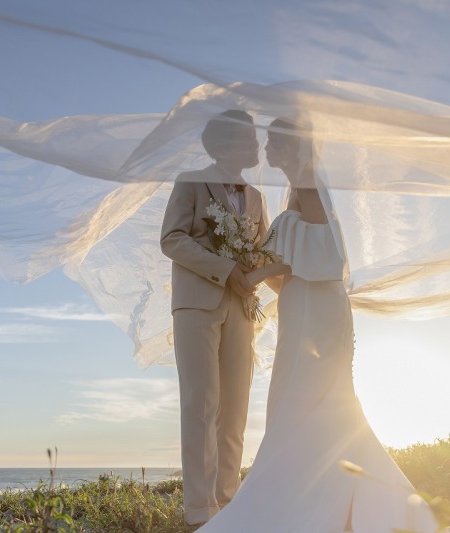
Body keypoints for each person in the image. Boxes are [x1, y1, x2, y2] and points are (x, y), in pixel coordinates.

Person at [197, 118, 440, 532]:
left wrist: (252, 275)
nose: (266, 149)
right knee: (309, 399)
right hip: (303, 305)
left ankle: (312, 501)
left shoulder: (308, 185)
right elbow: (293, 267)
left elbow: (327, 256)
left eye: (273, 142)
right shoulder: (299, 189)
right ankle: (333, 493)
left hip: (317, 311)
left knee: (311, 394)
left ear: (290, 147)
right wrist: (256, 274)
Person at [160, 110, 269, 526]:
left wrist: (255, 268)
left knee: (236, 406)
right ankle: (200, 511)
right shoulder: (190, 182)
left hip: (242, 309)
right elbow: (171, 239)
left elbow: (261, 247)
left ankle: (229, 500)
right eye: (249, 138)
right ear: (223, 144)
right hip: (196, 305)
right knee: (200, 403)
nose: (257, 146)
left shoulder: (258, 197)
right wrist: (225, 270)